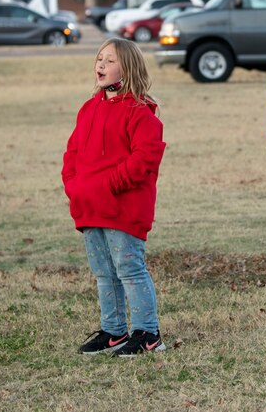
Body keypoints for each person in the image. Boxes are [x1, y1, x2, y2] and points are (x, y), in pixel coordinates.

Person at [62, 38, 166, 357]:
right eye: (99, 59)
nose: (101, 65)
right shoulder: (89, 108)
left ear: (128, 68)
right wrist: (75, 185)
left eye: (109, 61)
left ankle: (148, 333)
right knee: (104, 272)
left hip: (122, 207)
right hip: (90, 206)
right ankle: (114, 331)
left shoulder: (140, 112)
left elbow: (145, 158)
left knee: (129, 268)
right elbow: (73, 152)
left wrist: (109, 184)